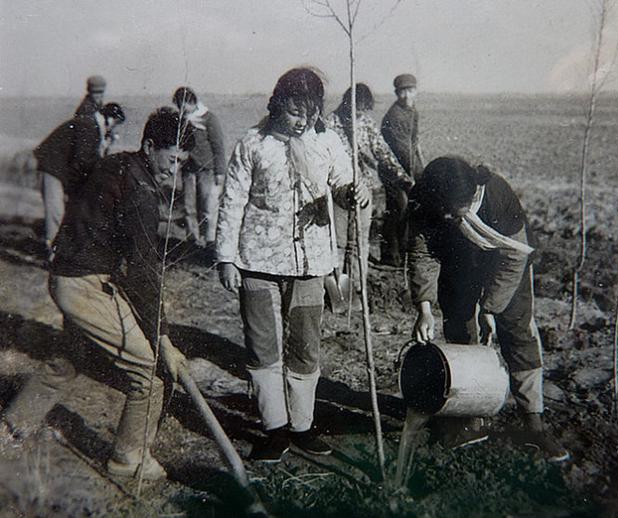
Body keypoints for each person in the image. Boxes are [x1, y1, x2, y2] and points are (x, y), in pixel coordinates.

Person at [3, 108, 194, 479]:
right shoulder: (141, 193)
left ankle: (12, 426)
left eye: (182, 164)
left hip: (66, 274)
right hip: (82, 285)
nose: (175, 171)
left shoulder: (115, 164)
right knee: (148, 375)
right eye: (172, 160)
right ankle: (127, 459)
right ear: (151, 146)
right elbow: (143, 273)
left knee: (68, 360)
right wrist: (165, 339)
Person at [216, 68, 369, 463]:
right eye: (295, 111)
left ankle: (302, 426)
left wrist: (354, 193)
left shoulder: (328, 142)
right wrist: (226, 258)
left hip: (311, 263)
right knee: (263, 348)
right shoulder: (253, 144)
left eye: (310, 112)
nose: (303, 120)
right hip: (258, 263)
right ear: (277, 103)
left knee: (305, 348)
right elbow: (231, 202)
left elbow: (346, 182)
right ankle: (274, 430)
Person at [407, 156, 569, 462]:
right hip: (459, 265)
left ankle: (534, 422)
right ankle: (470, 416)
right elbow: (421, 253)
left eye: (451, 210)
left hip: (508, 266)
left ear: (471, 196)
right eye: (440, 210)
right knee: (460, 332)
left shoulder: (498, 197)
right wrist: (424, 308)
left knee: (518, 335)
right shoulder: (423, 197)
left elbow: (514, 259)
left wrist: (491, 309)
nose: (443, 216)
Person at [325, 83, 413, 281]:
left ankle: (357, 285)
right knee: (338, 242)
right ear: (348, 104)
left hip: (364, 190)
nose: (360, 114)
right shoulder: (330, 124)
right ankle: (338, 286)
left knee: (359, 242)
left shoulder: (366, 123)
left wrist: (403, 178)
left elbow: (383, 152)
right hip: (338, 191)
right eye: (357, 110)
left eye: (364, 110)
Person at [33, 103, 126, 255]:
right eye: (115, 124)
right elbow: (82, 161)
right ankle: (54, 256)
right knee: (55, 214)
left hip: (56, 168)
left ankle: (55, 252)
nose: (113, 130)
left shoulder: (91, 124)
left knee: (58, 213)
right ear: (109, 119)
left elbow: (84, 159)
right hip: (51, 168)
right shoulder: (89, 126)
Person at [172, 87, 226, 248]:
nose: (181, 110)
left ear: (192, 102)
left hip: (206, 170)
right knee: (188, 206)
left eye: (183, 106)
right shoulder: (181, 120)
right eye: (178, 107)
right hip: (188, 169)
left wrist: (220, 172)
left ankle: (209, 239)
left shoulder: (209, 118)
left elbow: (218, 146)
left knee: (207, 206)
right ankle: (192, 241)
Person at [380, 73, 425, 267]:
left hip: (408, 167)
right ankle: (390, 255)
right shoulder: (395, 115)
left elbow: (414, 143)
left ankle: (404, 250)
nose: (407, 95)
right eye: (403, 92)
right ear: (397, 93)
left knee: (408, 208)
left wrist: (422, 169)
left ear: (416, 91)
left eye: (410, 90)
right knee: (399, 208)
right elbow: (401, 150)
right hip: (392, 169)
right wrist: (412, 177)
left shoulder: (413, 110)